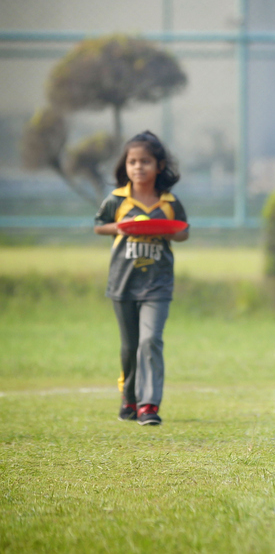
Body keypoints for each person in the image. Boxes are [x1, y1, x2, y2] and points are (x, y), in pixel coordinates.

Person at [94, 131, 189, 426]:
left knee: (150, 340)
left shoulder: (169, 202)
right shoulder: (117, 199)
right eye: (133, 161)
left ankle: (149, 405)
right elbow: (99, 227)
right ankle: (130, 398)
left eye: (145, 161)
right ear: (126, 165)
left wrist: (165, 230)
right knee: (129, 346)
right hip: (123, 283)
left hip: (157, 285)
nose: (138, 167)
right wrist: (120, 228)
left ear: (159, 166)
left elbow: (183, 232)